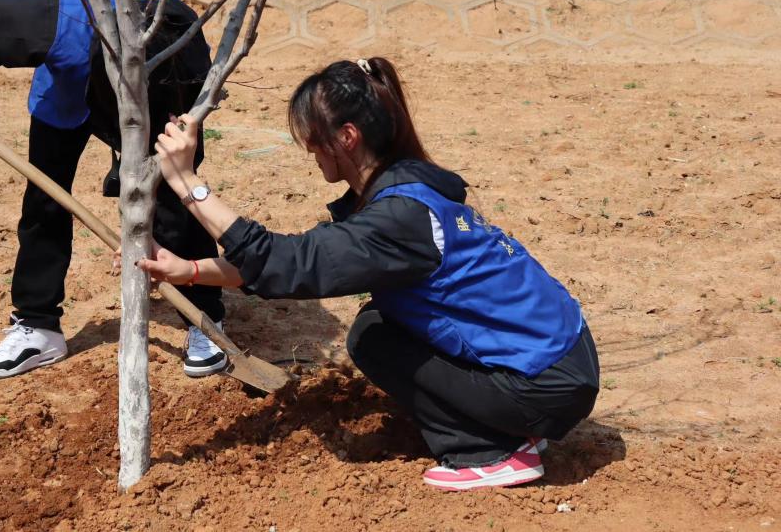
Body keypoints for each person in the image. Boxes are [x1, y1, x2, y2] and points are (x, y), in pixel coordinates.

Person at [137, 57, 601, 491]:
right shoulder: (409, 185)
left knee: (372, 337)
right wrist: (188, 270)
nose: (310, 151)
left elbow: (286, 264)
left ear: (348, 137)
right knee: (382, 320)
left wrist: (185, 181)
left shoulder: (398, 219)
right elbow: (300, 261)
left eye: (313, 140)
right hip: (561, 359)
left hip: (545, 386)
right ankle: (510, 423)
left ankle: (490, 450)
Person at [0, 0, 228, 380]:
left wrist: (151, 231)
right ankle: (38, 326)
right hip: (65, 94)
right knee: (45, 202)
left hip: (158, 105)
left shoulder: (187, 55)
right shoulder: (66, 24)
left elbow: (182, 164)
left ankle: (205, 317)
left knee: (178, 194)